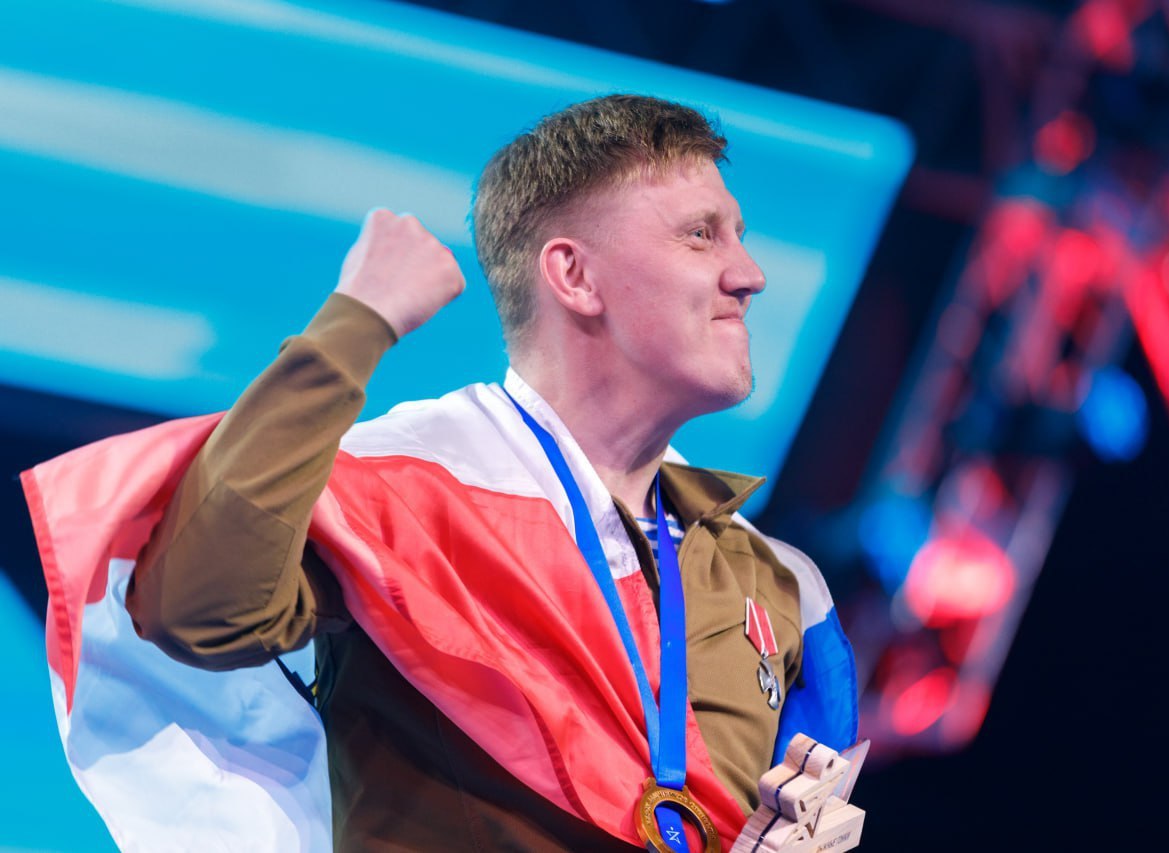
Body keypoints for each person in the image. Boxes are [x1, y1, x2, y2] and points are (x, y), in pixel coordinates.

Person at [61, 94, 855, 850]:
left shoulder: (779, 585)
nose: (749, 274)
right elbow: (197, 610)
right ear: (575, 277)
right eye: (701, 235)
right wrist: (357, 322)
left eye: (739, 235)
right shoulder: (406, 492)